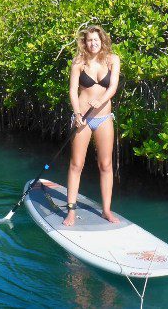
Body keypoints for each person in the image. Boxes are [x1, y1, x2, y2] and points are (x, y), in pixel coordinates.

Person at [63, 25, 122, 226]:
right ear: (84, 42)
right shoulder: (79, 61)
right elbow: (72, 90)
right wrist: (77, 113)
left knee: (105, 165)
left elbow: (113, 86)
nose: (93, 43)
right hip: (83, 119)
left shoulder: (113, 60)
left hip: (104, 118)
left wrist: (102, 99)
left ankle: (106, 210)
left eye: (96, 39)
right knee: (76, 164)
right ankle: (71, 210)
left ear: (102, 40)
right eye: (89, 40)